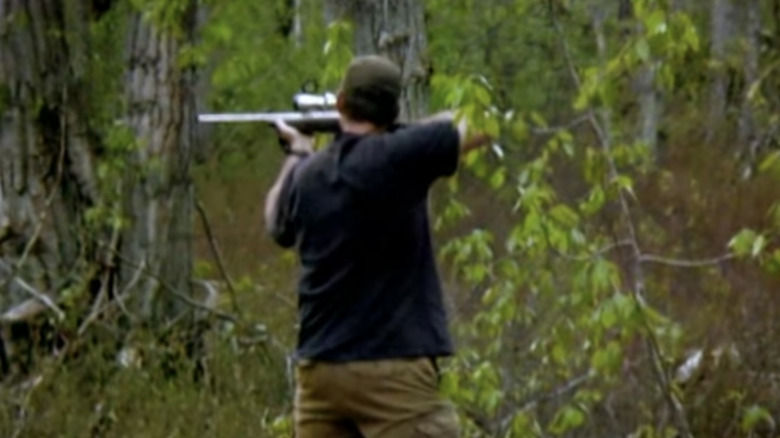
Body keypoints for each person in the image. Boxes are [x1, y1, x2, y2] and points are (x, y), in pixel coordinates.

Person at [264, 55, 491, 438]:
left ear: (340, 102)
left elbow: (276, 222)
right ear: (394, 107)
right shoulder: (401, 154)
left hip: (319, 374)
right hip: (392, 369)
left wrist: (298, 152)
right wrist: (408, 132)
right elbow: (482, 122)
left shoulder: (311, 172)